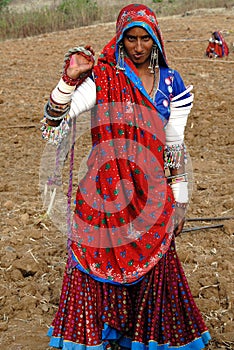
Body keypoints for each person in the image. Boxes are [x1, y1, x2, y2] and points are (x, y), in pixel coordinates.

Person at [41, 3, 211, 349]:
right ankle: (102, 334)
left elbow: (173, 145)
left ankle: (142, 334)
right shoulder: (103, 79)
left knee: (154, 268)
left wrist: (179, 200)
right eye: (130, 39)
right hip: (103, 190)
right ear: (120, 39)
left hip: (150, 194)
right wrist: (70, 80)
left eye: (144, 39)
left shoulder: (170, 83)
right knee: (92, 261)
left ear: (156, 42)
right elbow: (53, 126)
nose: (137, 47)